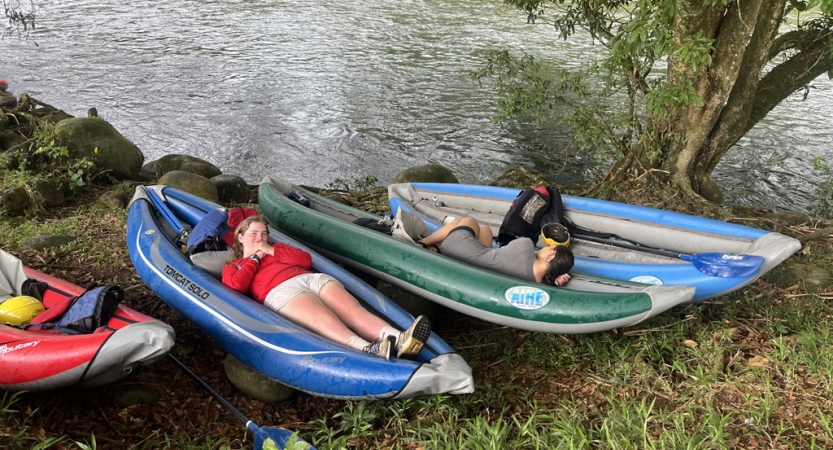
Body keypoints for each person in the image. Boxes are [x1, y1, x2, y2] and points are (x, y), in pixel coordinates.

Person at [222, 216, 430, 360]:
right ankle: (368, 348)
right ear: (240, 237)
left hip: (309, 279)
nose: (260, 238)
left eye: (264, 233)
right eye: (254, 233)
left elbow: (304, 259)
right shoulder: (233, 267)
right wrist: (255, 258)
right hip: (279, 290)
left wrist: (269, 250)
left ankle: (399, 338)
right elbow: (237, 284)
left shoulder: (277, 248)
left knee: (354, 312)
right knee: (323, 318)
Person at [416, 216, 574, 286]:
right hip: (478, 266)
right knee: (486, 231)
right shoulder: (537, 281)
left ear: (551, 254)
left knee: (469, 221)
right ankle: (437, 247)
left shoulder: (526, 245)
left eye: (549, 247)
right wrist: (557, 273)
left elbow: (522, 255)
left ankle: (424, 243)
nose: (545, 247)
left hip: (456, 250)